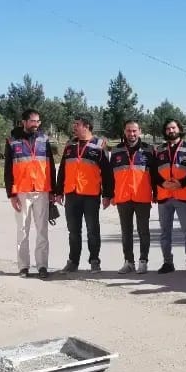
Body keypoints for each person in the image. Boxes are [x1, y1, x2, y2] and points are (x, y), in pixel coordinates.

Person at [4, 108, 58, 278]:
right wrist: (11, 194)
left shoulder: (44, 140)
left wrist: (53, 191)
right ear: (24, 122)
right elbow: (7, 170)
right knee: (23, 231)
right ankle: (23, 267)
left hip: (42, 191)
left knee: (42, 230)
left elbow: (51, 167)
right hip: (21, 192)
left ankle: (42, 266)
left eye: (38, 121)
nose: (36, 124)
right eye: (33, 121)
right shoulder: (12, 141)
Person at [55, 115, 112, 273]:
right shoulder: (70, 144)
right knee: (73, 231)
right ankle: (73, 261)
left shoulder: (100, 145)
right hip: (71, 193)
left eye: (77, 124)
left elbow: (107, 173)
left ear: (86, 126)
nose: (74, 127)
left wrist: (107, 195)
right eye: (74, 124)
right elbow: (63, 170)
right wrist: (58, 191)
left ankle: (94, 260)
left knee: (93, 230)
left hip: (90, 194)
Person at [152, 119, 186, 273]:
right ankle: (167, 263)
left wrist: (182, 183)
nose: (170, 131)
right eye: (167, 129)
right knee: (165, 232)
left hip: (183, 195)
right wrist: (161, 184)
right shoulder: (159, 149)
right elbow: (152, 171)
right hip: (164, 195)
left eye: (173, 127)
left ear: (179, 129)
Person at [109, 119, 155, 274]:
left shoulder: (149, 150)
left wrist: (156, 193)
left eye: (134, 131)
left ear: (140, 131)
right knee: (126, 232)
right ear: (124, 132)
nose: (132, 134)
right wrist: (109, 195)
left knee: (143, 231)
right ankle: (129, 262)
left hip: (142, 196)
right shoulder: (116, 151)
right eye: (129, 130)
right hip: (123, 197)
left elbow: (154, 174)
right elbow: (110, 176)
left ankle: (143, 261)